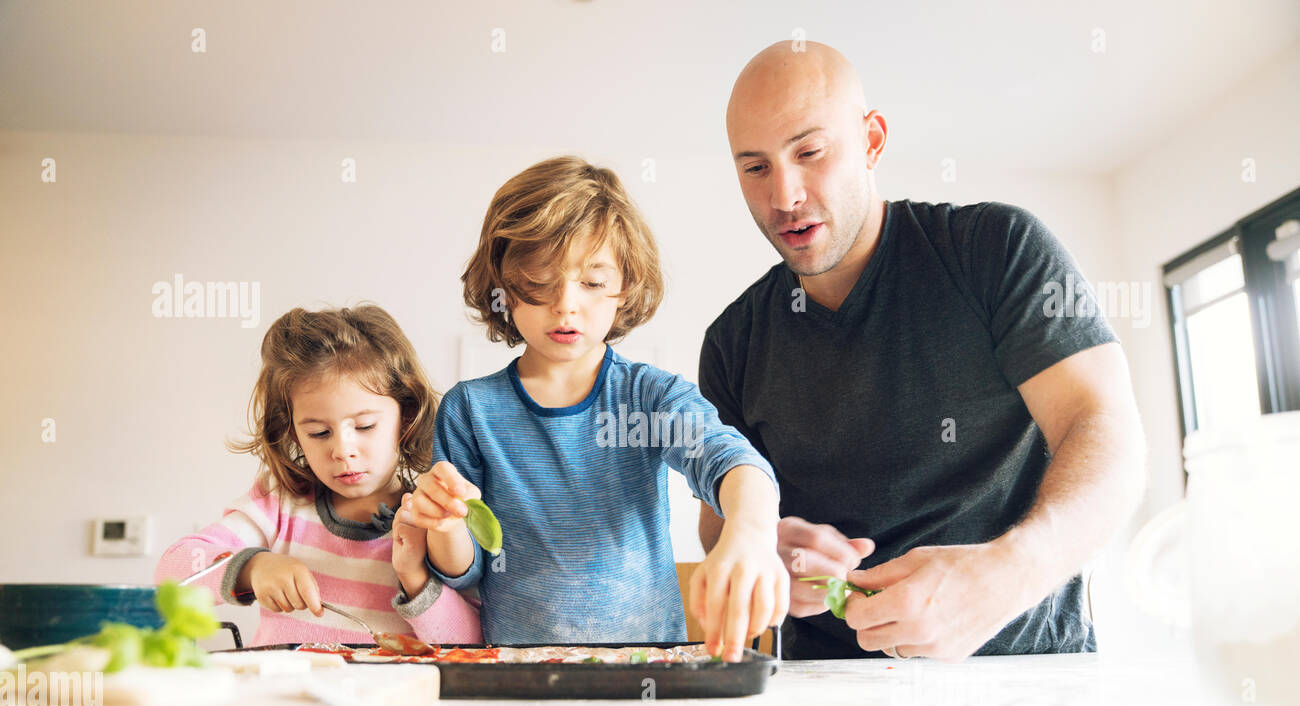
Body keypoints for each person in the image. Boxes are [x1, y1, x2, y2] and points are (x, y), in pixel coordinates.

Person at [698, 41, 1146, 660]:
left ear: (872, 140)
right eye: (756, 168)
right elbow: (719, 521)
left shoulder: (998, 249)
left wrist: (1004, 575)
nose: (785, 196)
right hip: (828, 697)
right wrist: (761, 546)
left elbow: (1107, 431)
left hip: (1024, 676)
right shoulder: (731, 342)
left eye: (810, 152)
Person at [398, 156, 787, 661]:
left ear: (625, 288)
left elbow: (727, 458)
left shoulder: (650, 397)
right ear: (503, 287)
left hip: (645, 669)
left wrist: (752, 531)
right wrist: (447, 526)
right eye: (539, 282)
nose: (565, 305)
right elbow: (466, 570)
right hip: (519, 674)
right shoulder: (469, 410)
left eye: (593, 282)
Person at [155, 304, 483, 647]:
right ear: (294, 432)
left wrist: (413, 577)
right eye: (319, 433)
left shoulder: (435, 519)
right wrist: (253, 568)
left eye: (365, 426)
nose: (342, 450)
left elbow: (469, 644)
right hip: (283, 698)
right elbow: (171, 572)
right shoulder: (279, 503)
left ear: (408, 415)